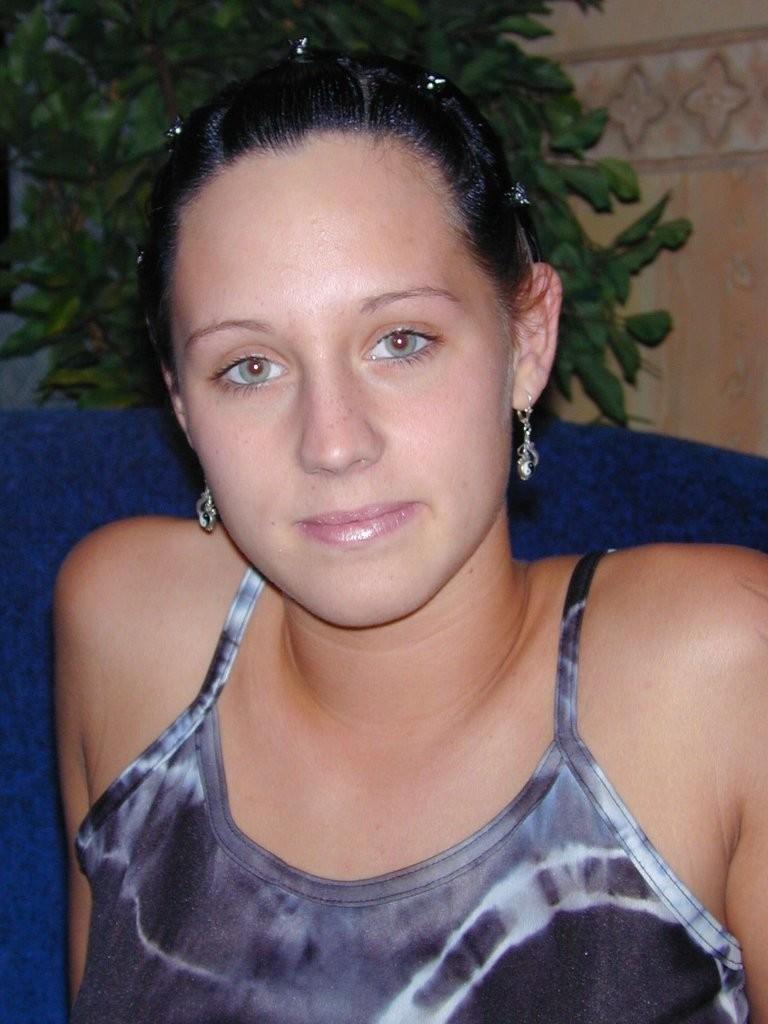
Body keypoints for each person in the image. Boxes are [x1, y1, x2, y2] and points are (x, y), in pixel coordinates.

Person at [54, 42, 767, 1022]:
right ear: (183, 405)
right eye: (249, 367)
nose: (333, 443)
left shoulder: (714, 669)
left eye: (401, 341)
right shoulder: (129, 630)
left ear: (526, 341)